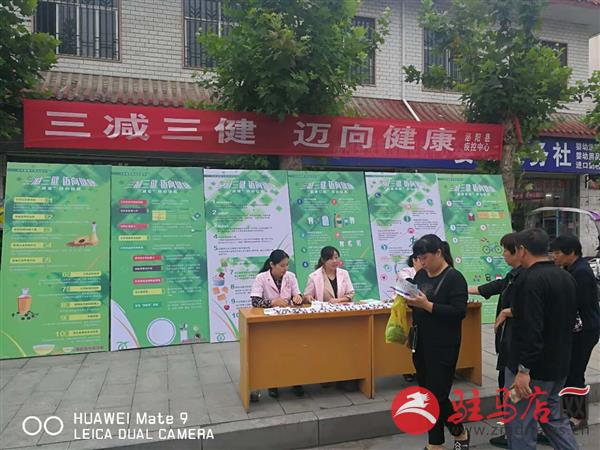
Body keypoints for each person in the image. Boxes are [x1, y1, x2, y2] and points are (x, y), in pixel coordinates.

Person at [505, 229, 578, 450]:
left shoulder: (529, 279)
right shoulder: (565, 276)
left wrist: (523, 370)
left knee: (521, 423)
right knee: (553, 418)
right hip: (558, 364)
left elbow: (531, 328)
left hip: (533, 369)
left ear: (522, 250)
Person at [406, 234, 470, 450]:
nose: (422, 263)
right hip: (421, 342)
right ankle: (439, 441)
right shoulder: (421, 275)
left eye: (425, 258)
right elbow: (416, 302)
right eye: (419, 259)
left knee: (438, 395)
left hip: (444, 345)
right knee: (427, 394)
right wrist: (408, 300)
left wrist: (428, 305)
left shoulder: (454, 278)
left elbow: (459, 312)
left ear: (439, 253)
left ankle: (455, 433)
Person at [468, 233, 522, 448]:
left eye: (506, 250)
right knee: (506, 386)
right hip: (508, 343)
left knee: (513, 391)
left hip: (517, 346)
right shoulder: (513, 275)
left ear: (519, 251)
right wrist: (461, 289)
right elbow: (493, 287)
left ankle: (516, 435)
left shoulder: (527, 278)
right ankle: (514, 430)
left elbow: (534, 308)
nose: (503, 254)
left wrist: (509, 311)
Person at [550, 234, 600, 431]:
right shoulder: (571, 268)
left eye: (557, 253)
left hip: (584, 331)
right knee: (570, 371)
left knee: (575, 372)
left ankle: (578, 417)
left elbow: (577, 304)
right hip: (578, 329)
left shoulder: (581, 272)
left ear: (571, 253)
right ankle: (570, 411)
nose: (554, 256)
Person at [249, 249, 305, 401]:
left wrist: (298, 298)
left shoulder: (290, 276)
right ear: (272, 265)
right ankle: (273, 384)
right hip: (270, 324)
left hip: (290, 322)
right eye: (282, 266)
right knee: (274, 354)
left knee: (293, 353)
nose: (285, 269)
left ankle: (296, 382)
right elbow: (255, 301)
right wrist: (272, 302)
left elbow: (297, 294)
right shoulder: (261, 278)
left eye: (287, 265)